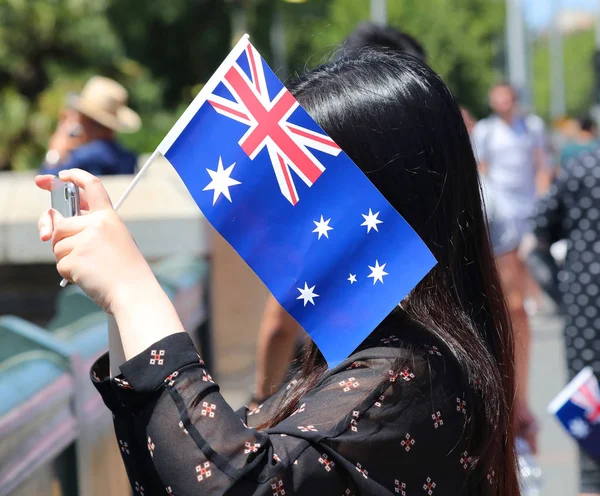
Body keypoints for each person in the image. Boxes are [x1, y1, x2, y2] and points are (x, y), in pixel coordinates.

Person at [36, 50, 519, 494]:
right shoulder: (369, 352)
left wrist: (134, 292)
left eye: (305, 188)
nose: (278, 217)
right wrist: (117, 297)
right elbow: (172, 466)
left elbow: (239, 483)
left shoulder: (410, 373)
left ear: (387, 200)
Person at [250, 23, 427, 408]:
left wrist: (260, 401)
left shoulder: (331, 201)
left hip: (340, 405)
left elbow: (281, 323)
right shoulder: (450, 193)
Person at [472, 83, 550, 452]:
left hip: (519, 209)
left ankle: (516, 405)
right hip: (496, 202)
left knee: (516, 293)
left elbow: (540, 164)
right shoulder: (487, 131)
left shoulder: (530, 126)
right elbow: (483, 168)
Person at [529, 143, 600, 496]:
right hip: (583, 306)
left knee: (588, 407)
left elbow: (536, 243)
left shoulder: (580, 168)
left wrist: (566, 299)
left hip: (587, 307)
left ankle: (590, 479)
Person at [41, 76, 140, 176]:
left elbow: (50, 180)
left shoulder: (86, 156)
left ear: (83, 118)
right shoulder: (127, 157)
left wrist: (55, 154)